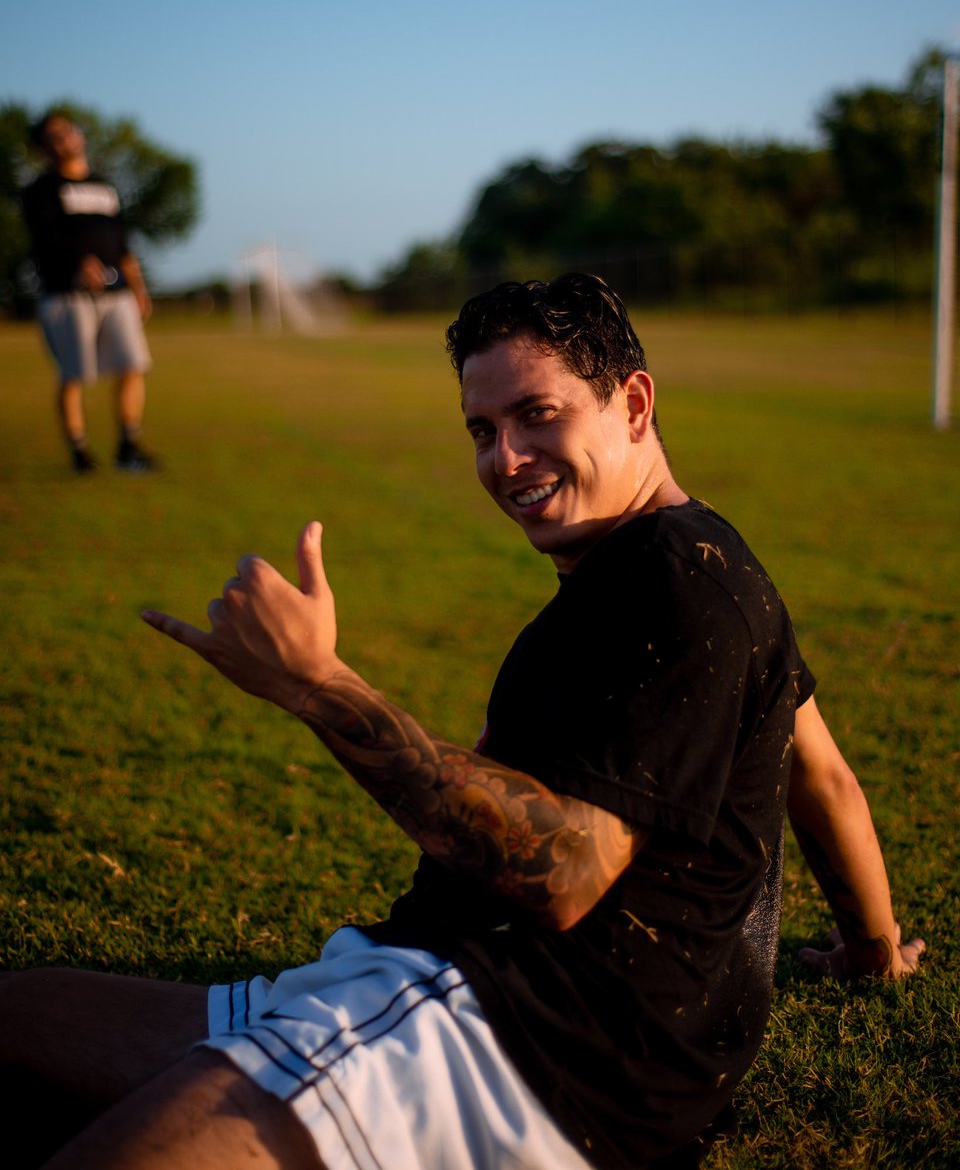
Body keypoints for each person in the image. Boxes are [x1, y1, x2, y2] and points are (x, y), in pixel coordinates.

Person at [0, 274, 924, 1169]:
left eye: (538, 414)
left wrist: (317, 686)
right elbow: (822, 774)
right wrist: (870, 950)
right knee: (27, 1014)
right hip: (419, 977)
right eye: (483, 429)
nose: (505, 458)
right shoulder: (704, 557)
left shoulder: (674, 585)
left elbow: (564, 870)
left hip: (520, 1038)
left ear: (634, 404)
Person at [21, 110, 158, 474]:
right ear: (43, 148)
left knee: (132, 366)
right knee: (74, 375)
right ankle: (80, 453)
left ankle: (128, 447)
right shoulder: (40, 191)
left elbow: (122, 242)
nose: (63, 138)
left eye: (67, 131)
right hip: (67, 297)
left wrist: (138, 287)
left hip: (117, 295)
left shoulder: (104, 186)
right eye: (53, 136)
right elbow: (45, 240)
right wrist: (79, 261)